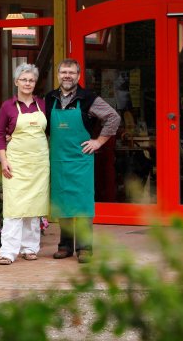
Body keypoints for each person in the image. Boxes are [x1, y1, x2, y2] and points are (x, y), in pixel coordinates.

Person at [45, 58, 120, 264]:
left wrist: (98, 142)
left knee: (83, 204)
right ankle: (65, 246)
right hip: (59, 159)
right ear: (58, 75)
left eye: (71, 72)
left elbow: (113, 117)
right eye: (63, 72)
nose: (67, 76)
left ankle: (85, 248)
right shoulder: (50, 98)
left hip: (80, 160)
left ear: (78, 76)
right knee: (62, 202)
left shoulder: (88, 98)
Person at [0, 63, 50, 265]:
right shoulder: (7, 106)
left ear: (35, 83)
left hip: (39, 164)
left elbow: (51, 131)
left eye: (31, 80)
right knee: (14, 207)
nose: (28, 83)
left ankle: (29, 248)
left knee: (34, 207)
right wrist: (3, 161)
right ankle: (8, 252)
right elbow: (0, 135)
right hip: (15, 163)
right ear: (16, 81)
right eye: (24, 79)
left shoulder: (43, 105)